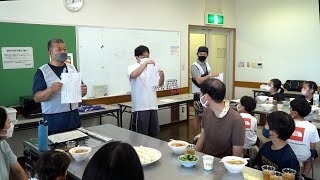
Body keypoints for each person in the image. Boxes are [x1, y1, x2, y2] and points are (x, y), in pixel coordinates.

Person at [33, 38, 87, 134]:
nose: (63, 52)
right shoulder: (42, 71)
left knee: (76, 147)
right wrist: (51, 89)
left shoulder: (73, 69)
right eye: (59, 50)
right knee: (56, 148)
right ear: (50, 53)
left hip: (73, 119)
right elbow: (36, 98)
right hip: (53, 121)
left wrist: (83, 91)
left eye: (64, 49)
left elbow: (80, 93)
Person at [195, 78, 245, 158]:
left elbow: (237, 156)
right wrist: (192, 157)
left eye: (201, 94)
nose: (200, 96)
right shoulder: (207, 111)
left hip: (223, 165)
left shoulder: (236, 120)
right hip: (205, 160)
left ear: (206, 97)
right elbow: (202, 138)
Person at [128, 45, 164, 137]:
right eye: (143, 57)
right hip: (140, 107)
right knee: (140, 135)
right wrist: (145, 64)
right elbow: (133, 75)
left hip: (153, 105)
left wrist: (162, 75)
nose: (146, 59)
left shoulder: (151, 69)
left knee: (154, 135)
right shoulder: (132, 67)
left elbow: (159, 84)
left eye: (147, 56)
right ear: (137, 57)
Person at [190, 46, 219, 138]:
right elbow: (199, 80)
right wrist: (210, 75)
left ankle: (204, 137)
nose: (202, 55)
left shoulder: (207, 64)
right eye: (200, 54)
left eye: (204, 54)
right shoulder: (194, 66)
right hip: (198, 95)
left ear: (207, 54)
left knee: (206, 116)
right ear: (197, 54)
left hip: (207, 94)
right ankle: (195, 137)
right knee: (198, 117)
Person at [287, 98, 319, 179]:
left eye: (290, 108)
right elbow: (313, 147)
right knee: (313, 154)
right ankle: (303, 175)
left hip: (286, 154)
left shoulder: (287, 123)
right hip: (303, 156)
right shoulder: (312, 127)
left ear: (294, 112)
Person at [0, 107, 28, 180]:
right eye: (9, 122)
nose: (11, 125)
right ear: (1, 129)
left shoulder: (3, 144)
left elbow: (18, 171)